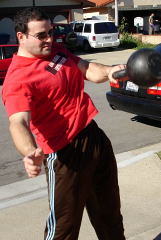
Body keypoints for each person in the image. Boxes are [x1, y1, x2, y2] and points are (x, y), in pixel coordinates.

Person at [2, 7, 126, 240]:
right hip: (65, 154)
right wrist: (29, 152)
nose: (49, 39)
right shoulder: (18, 79)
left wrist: (110, 71)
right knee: (63, 228)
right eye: (41, 35)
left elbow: (87, 69)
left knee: (110, 215)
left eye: (51, 31)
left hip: (93, 136)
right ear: (21, 36)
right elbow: (18, 122)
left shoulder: (56, 50)